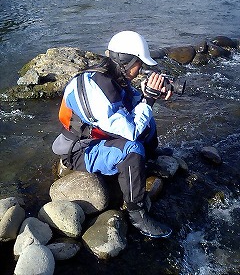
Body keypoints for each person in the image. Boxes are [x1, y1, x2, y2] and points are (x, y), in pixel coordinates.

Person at [52, 30, 173, 238]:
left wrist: (150, 94)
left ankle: (149, 159)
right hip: (81, 150)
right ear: (125, 62)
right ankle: (137, 213)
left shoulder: (111, 75)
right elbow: (131, 132)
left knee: (147, 120)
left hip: (102, 137)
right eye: (139, 63)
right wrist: (149, 100)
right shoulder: (95, 90)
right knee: (132, 149)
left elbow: (132, 104)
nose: (141, 68)